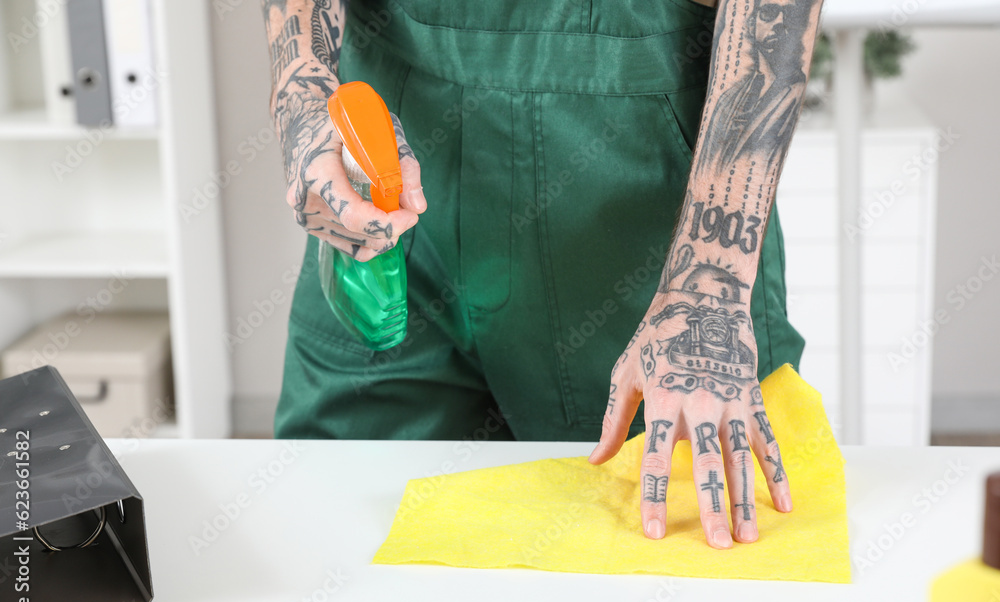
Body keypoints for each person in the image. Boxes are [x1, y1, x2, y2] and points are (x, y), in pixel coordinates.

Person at [261, 0, 824, 549]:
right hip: (394, 182)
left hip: (650, 218)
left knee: (678, 555)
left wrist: (706, 282)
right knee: (331, 537)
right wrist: (302, 96)